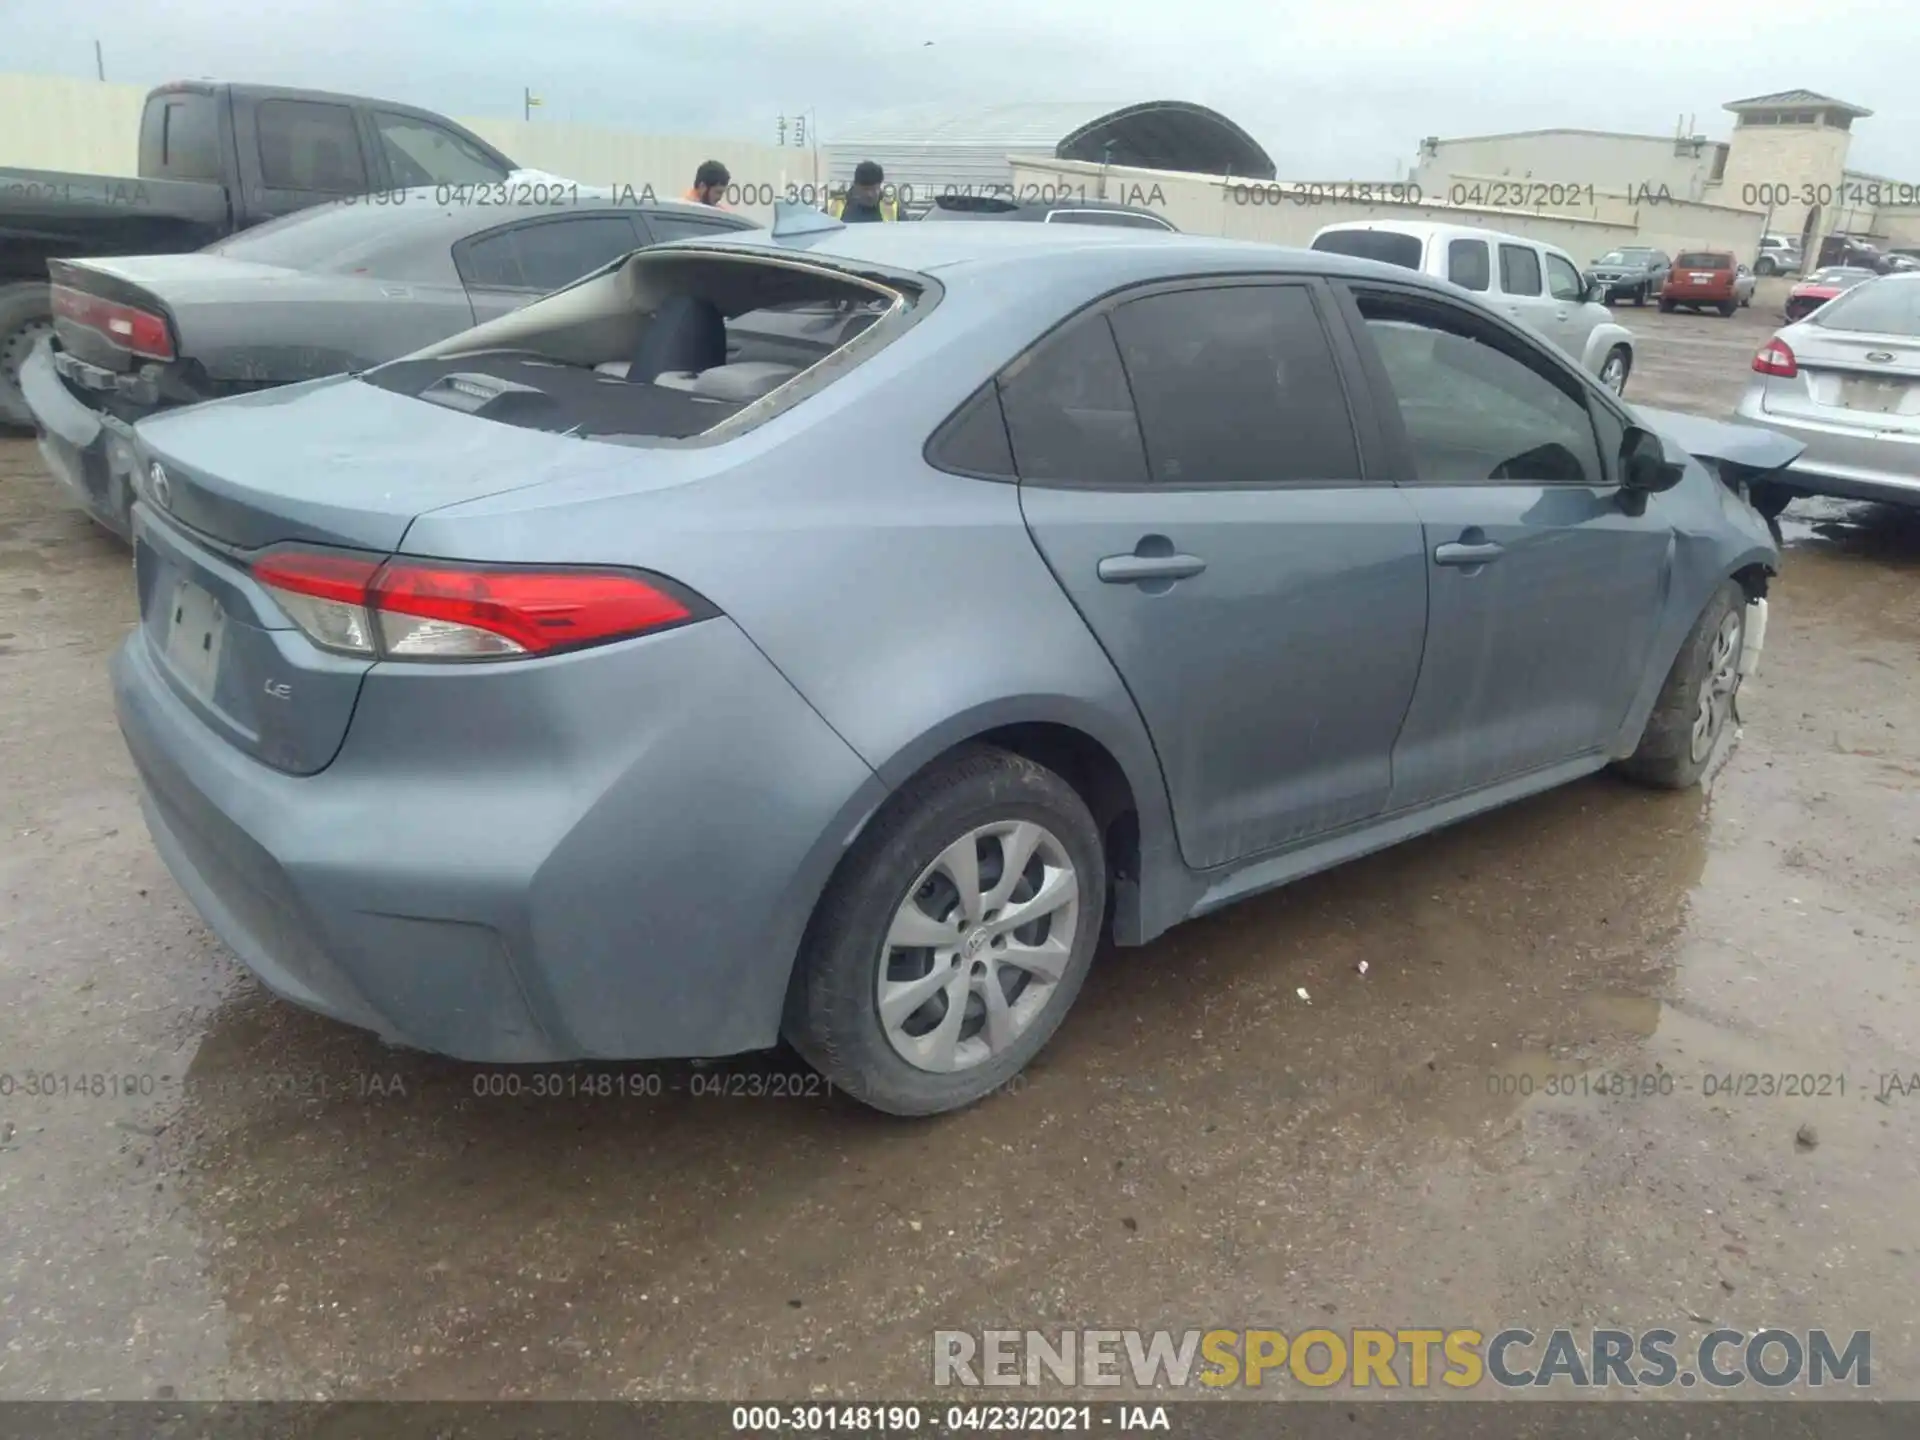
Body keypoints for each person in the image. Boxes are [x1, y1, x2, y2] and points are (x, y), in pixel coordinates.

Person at [828, 161, 899, 222]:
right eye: (865, 189)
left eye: (874, 189)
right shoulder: (833, 207)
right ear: (855, 186)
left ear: (880, 186)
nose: (870, 195)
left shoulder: (893, 209)